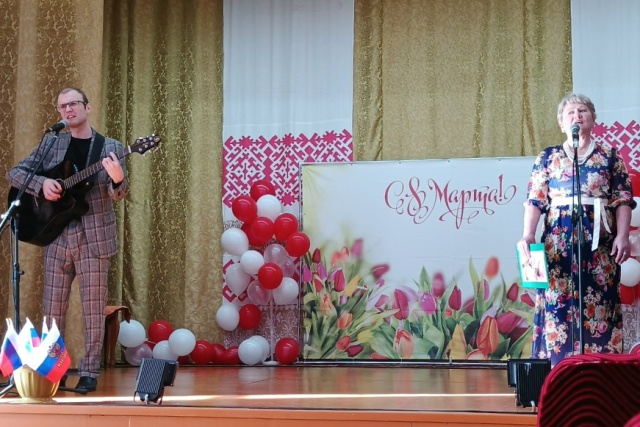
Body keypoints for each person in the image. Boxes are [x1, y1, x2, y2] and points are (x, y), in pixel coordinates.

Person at [7, 87, 127, 391]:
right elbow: (16, 174)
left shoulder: (109, 146)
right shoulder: (53, 142)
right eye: (63, 106)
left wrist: (118, 180)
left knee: (93, 309)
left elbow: (118, 195)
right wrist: (42, 183)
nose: (68, 110)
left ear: (87, 107)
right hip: (57, 233)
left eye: (73, 104)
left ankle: (90, 371)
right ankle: (54, 369)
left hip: (94, 237)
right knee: (53, 308)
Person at [517, 92, 635, 366]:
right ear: (561, 123)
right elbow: (535, 200)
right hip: (558, 244)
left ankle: (601, 371)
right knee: (558, 303)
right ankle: (559, 371)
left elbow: (623, 200)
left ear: (593, 119)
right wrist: (528, 234)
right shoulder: (548, 157)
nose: (577, 116)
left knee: (600, 302)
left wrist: (622, 236)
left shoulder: (609, 156)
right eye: (570, 112)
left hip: (599, 243)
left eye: (583, 111)